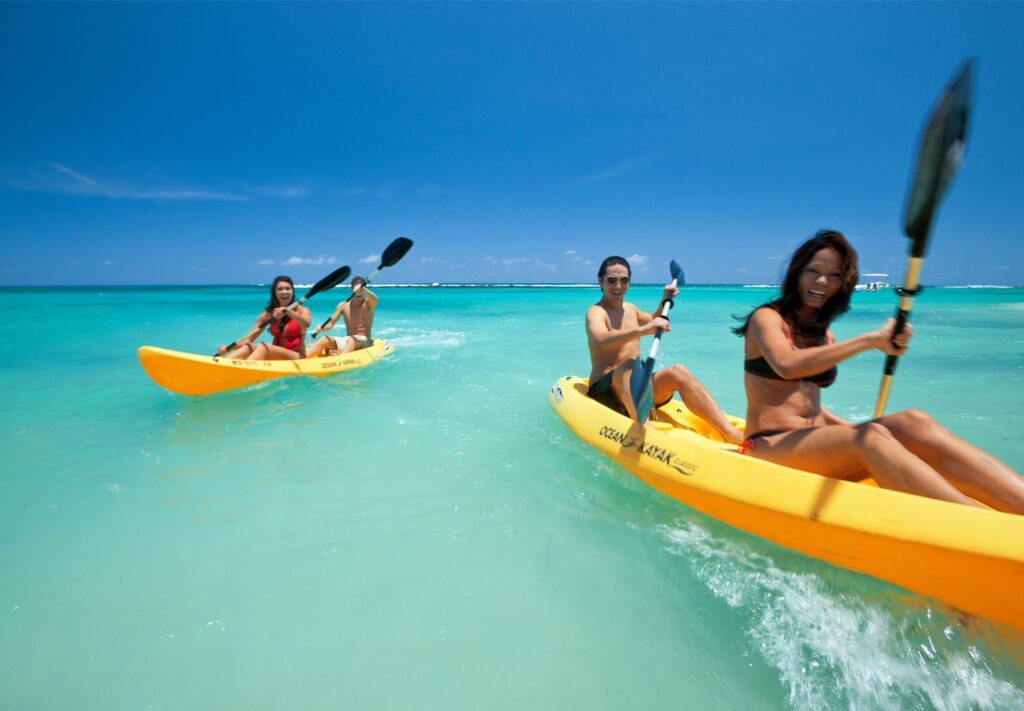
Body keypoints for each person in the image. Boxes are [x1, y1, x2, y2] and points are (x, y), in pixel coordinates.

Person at [734, 229, 1024, 513]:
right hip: (769, 446)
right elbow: (787, 366)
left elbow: (808, 404)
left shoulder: (825, 336)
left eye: (834, 275)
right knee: (870, 436)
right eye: (813, 270)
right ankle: (977, 522)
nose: (822, 281)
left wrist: (849, 430)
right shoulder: (766, 318)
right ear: (796, 272)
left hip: (813, 445)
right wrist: (871, 340)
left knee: (914, 421)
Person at [585, 255, 744, 444]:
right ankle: (647, 434)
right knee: (629, 365)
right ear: (600, 281)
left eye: (624, 280)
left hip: (636, 389)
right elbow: (601, 340)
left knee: (678, 372)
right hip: (606, 392)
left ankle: (730, 433)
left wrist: (664, 300)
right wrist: (641, 329)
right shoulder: (596, 312)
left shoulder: (631, 309)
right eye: (612, 280)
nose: (618, 286)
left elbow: (654, 319)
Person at [219, 275, 310, 360]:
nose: (284, 292)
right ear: (275, 293)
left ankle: (242, 370)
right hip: (275, 354)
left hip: (297, 356)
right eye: (280, 289)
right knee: (248, 347)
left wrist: (288, 311)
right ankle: (224, 364)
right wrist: (228, 348)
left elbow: (306, 324)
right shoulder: (268, 314)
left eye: (287, 288)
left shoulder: (302, 310)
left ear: (292, 291)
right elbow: (249, 339)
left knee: (263, 346)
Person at [306, 276, 378, 357]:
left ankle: (338, 359)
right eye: (356, 287)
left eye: (361, 287)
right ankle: (301, 358)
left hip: (365, 340)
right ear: (352, 289)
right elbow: (330, 324)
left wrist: (363, 288)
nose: (359, 291)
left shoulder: (368, 304)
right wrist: (321, 328)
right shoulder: (343, 305)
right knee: (325, 339)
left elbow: (375, 299)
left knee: (352, 340)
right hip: (347, 340)